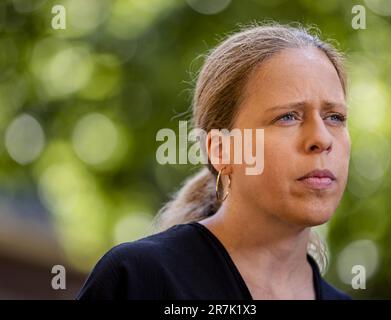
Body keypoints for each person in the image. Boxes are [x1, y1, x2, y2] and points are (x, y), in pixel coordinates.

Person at [77, 22, 352, 300]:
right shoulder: (138, 280)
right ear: (221, 150)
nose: (322, 138)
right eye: (288, 117)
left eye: (335, 117)